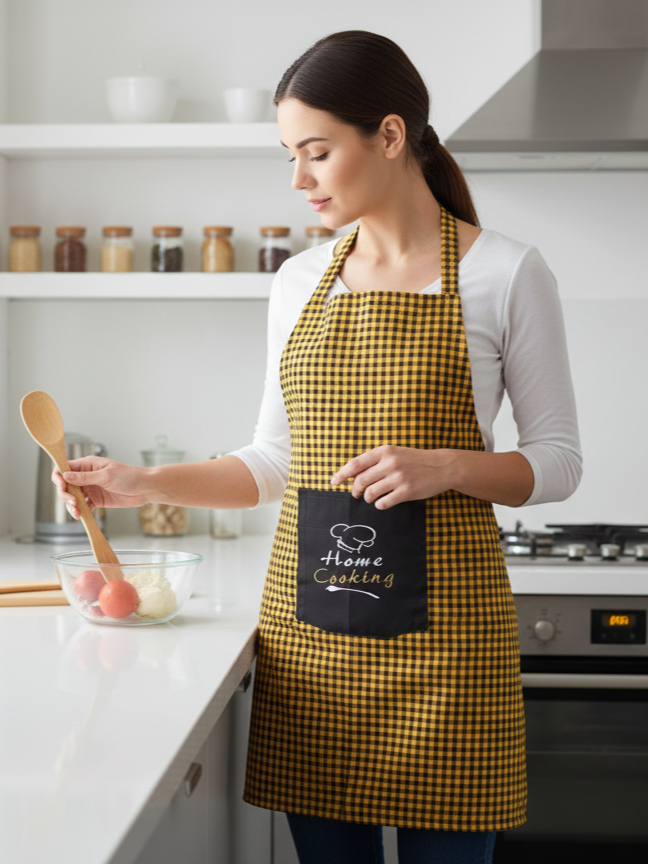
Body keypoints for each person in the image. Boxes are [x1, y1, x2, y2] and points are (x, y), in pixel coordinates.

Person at [54, 31, 581, 864]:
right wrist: (143, 481)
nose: (298, 179)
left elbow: (557, 462)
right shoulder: (299, 281)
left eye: (317, 151)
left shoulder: (506, 273)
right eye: (290, 155)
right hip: (315, 652)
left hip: (448, 654)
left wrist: (446, 466)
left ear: (391, 135)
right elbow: (272, 463)